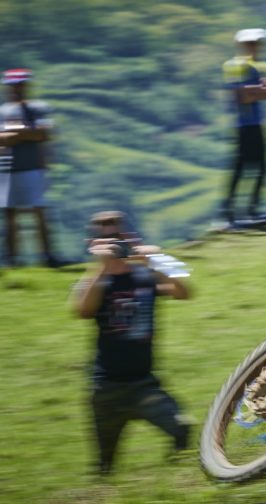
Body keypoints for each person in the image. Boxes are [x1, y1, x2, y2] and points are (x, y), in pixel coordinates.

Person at [72, 211, 191, 475]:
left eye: (117, 238)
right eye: (107, 241)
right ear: (94, 245)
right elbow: (82, 310)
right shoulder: (96, 280)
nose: (115, 246)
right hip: (105, 388)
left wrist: (154, 260)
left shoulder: (145, 275)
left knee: (182, 429)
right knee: (104, 466)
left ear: (128, 237)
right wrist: (101, 266)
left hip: (143, 384)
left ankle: (174, 483)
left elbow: (183, 292)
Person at [0, 68, 59, 267]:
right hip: (6, 169)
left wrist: (14, 134)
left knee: (39, 213)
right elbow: (2, 139)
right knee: (10, 216)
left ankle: (47, 257)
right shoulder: (2, 111)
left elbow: (44, 134)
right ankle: (12, 260)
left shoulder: (38, 107)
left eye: (21, 84)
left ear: (26, 85)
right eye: (14, 85)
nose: (18, 88)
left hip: (34, 167)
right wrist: (26, 132)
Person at [221, 28, 266, 225]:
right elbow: (244, 96)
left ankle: (248, 209)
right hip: (245, 124)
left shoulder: (260, 66)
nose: (255, 47)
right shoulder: (236, 65)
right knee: (244, 167)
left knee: (259, 167)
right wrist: (260, 89)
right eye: (251, 43)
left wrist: (257, 90)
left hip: (256, 123)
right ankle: (231, 210)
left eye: (257, 43)